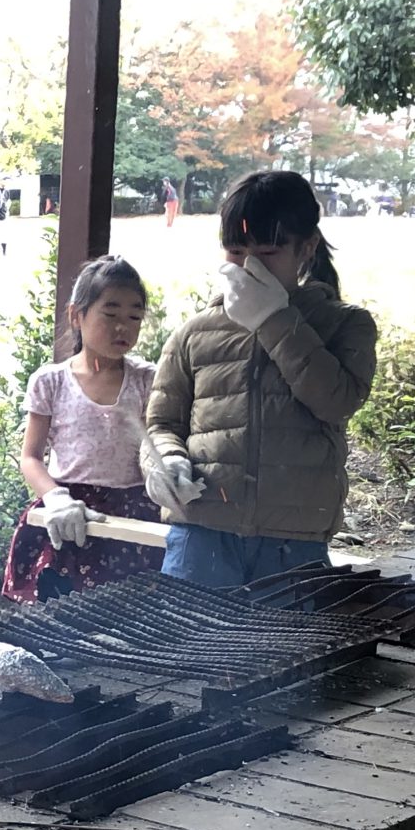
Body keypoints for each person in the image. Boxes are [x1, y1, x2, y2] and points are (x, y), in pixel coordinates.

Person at [143, 169, 378, 587]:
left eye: (267, 252)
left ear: (307, 248)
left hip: (293, 540)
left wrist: (275, 319)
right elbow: (161, 423)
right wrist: (166, 462)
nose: (249, 266)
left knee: (288, 633)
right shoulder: (195, 332)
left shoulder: (344, 324)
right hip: (201, 532)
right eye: (236, 251)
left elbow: (337, 401)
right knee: (188, 631)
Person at [3, 256, 163, 602]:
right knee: (63, 613)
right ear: (76, 315)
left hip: (133, 515)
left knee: (130, 611)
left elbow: (159, 443)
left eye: (134, 317)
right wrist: (55, 497)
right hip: (71, 515)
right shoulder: (50, 382)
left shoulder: (147, 380)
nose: (123, 328)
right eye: (111, 315)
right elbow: (31, 457)